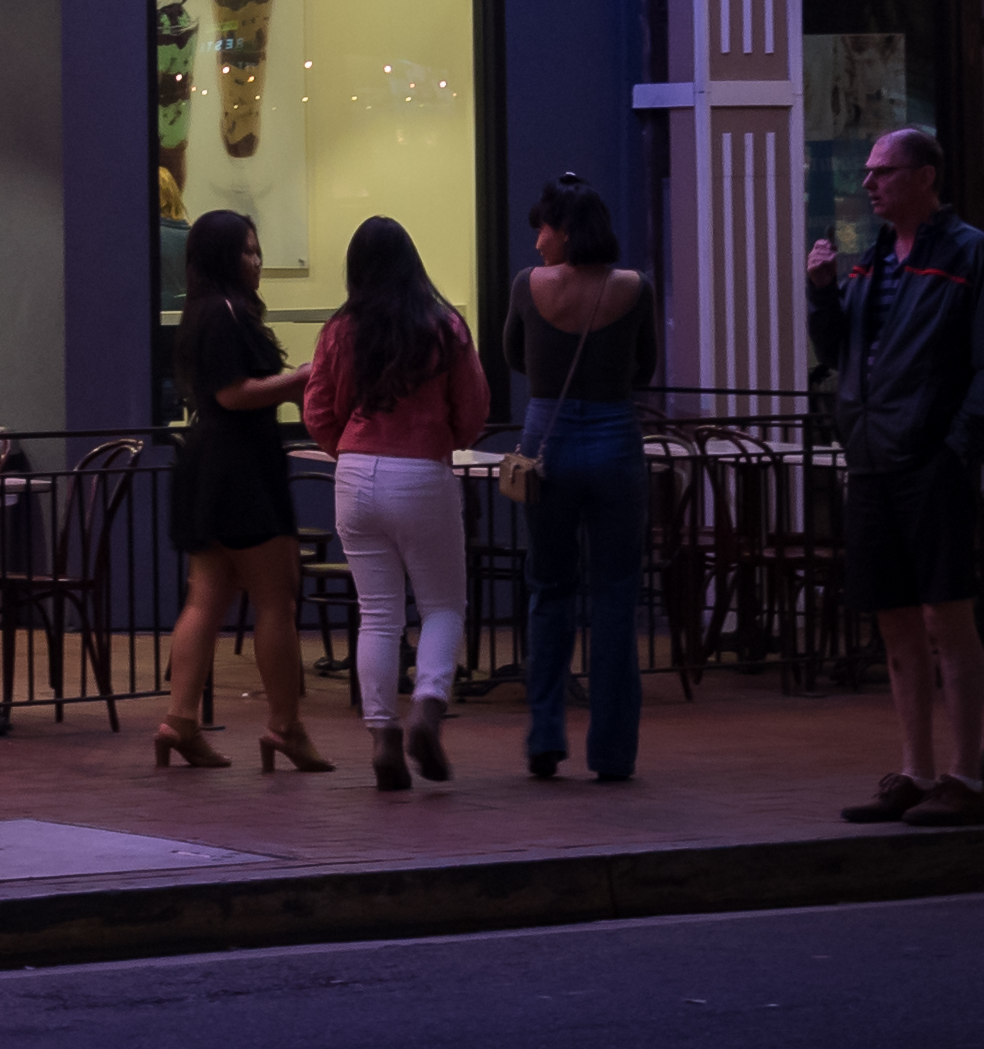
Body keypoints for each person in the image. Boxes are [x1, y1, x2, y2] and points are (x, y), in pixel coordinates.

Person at [807, 125, 984, 828]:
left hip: (929, 460)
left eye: (883, 171)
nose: (868, 183)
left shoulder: (970, 254)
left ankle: (965, 777)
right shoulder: (870, 261)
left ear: (924, 176)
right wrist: (822, 295)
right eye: (867, 172)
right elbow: (842, 351)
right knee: (894, 619)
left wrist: (956, 448)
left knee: (945, 615)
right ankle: (916, 771)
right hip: (872, 458)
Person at [302, 216, 490, 789]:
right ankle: (428, 707)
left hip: (356, 475)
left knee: (378, 614)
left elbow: (317, 409)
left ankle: (382, 733)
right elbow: (473, 410)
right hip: (423, 474)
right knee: (442, 606)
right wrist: (446, 438)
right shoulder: (445, 326)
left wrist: (347, 448)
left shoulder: (339, 330)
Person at [155, 212, 327, 771]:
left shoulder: (200, 310)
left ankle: (180, 719)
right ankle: (285, 725)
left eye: (258, 250)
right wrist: (299, 378)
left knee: (205, 597)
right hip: (243, 469)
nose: (257, 261)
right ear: (224, 257)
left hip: (208, 465)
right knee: (276, 598)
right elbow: (234, 393)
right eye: (248, 251)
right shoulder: (228, 313)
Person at [505, 170, 659, 784]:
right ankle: (613, 752)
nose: (538, 239)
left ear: (565, 231)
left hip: (547, 440)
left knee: (549, 586)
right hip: (616, 439)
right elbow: (644, 368)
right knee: (616, 593)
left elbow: (514, 355)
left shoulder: (528, 285)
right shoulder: (634, 288)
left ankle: (545, 733)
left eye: (544, 228)